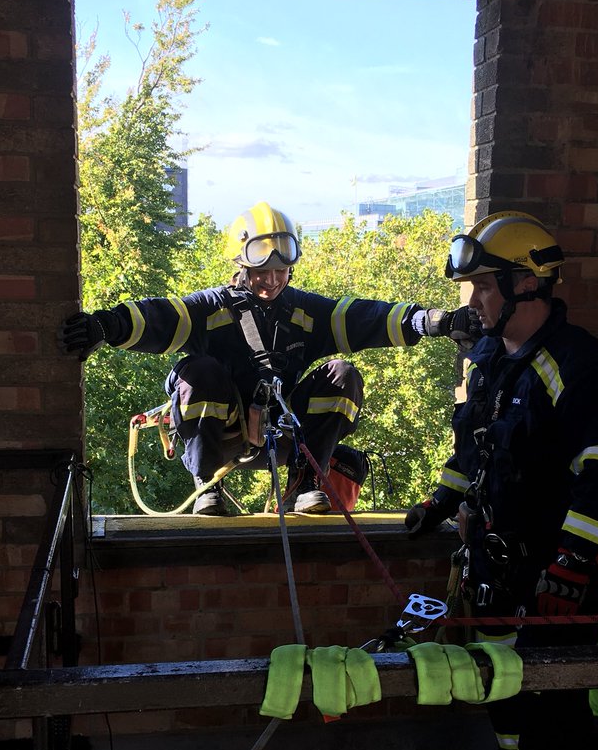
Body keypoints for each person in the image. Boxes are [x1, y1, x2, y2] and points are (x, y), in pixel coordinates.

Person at [406, 210, 598, 750]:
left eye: (483, 286)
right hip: (500, 565)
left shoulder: (579, 366)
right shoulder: (492, 360)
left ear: (525, 286)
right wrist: (441, 503)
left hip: (557, 573)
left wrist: (570, 564)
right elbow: (474, 450)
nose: (473, 299)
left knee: (550, 705)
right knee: (504, 690)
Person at [58, 201, 479, 515]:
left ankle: (304, 481)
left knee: (343, 375)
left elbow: (362, 317)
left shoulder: (303, 313)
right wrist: (106, 326)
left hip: (284, 438)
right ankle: (208, 486)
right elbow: (162, 317)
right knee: (196, 371)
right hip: (224, 439)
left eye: (281, 272)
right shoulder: (213, 310)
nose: (272, 280)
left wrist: (431, 321)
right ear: (241, 265)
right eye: (262, 272)